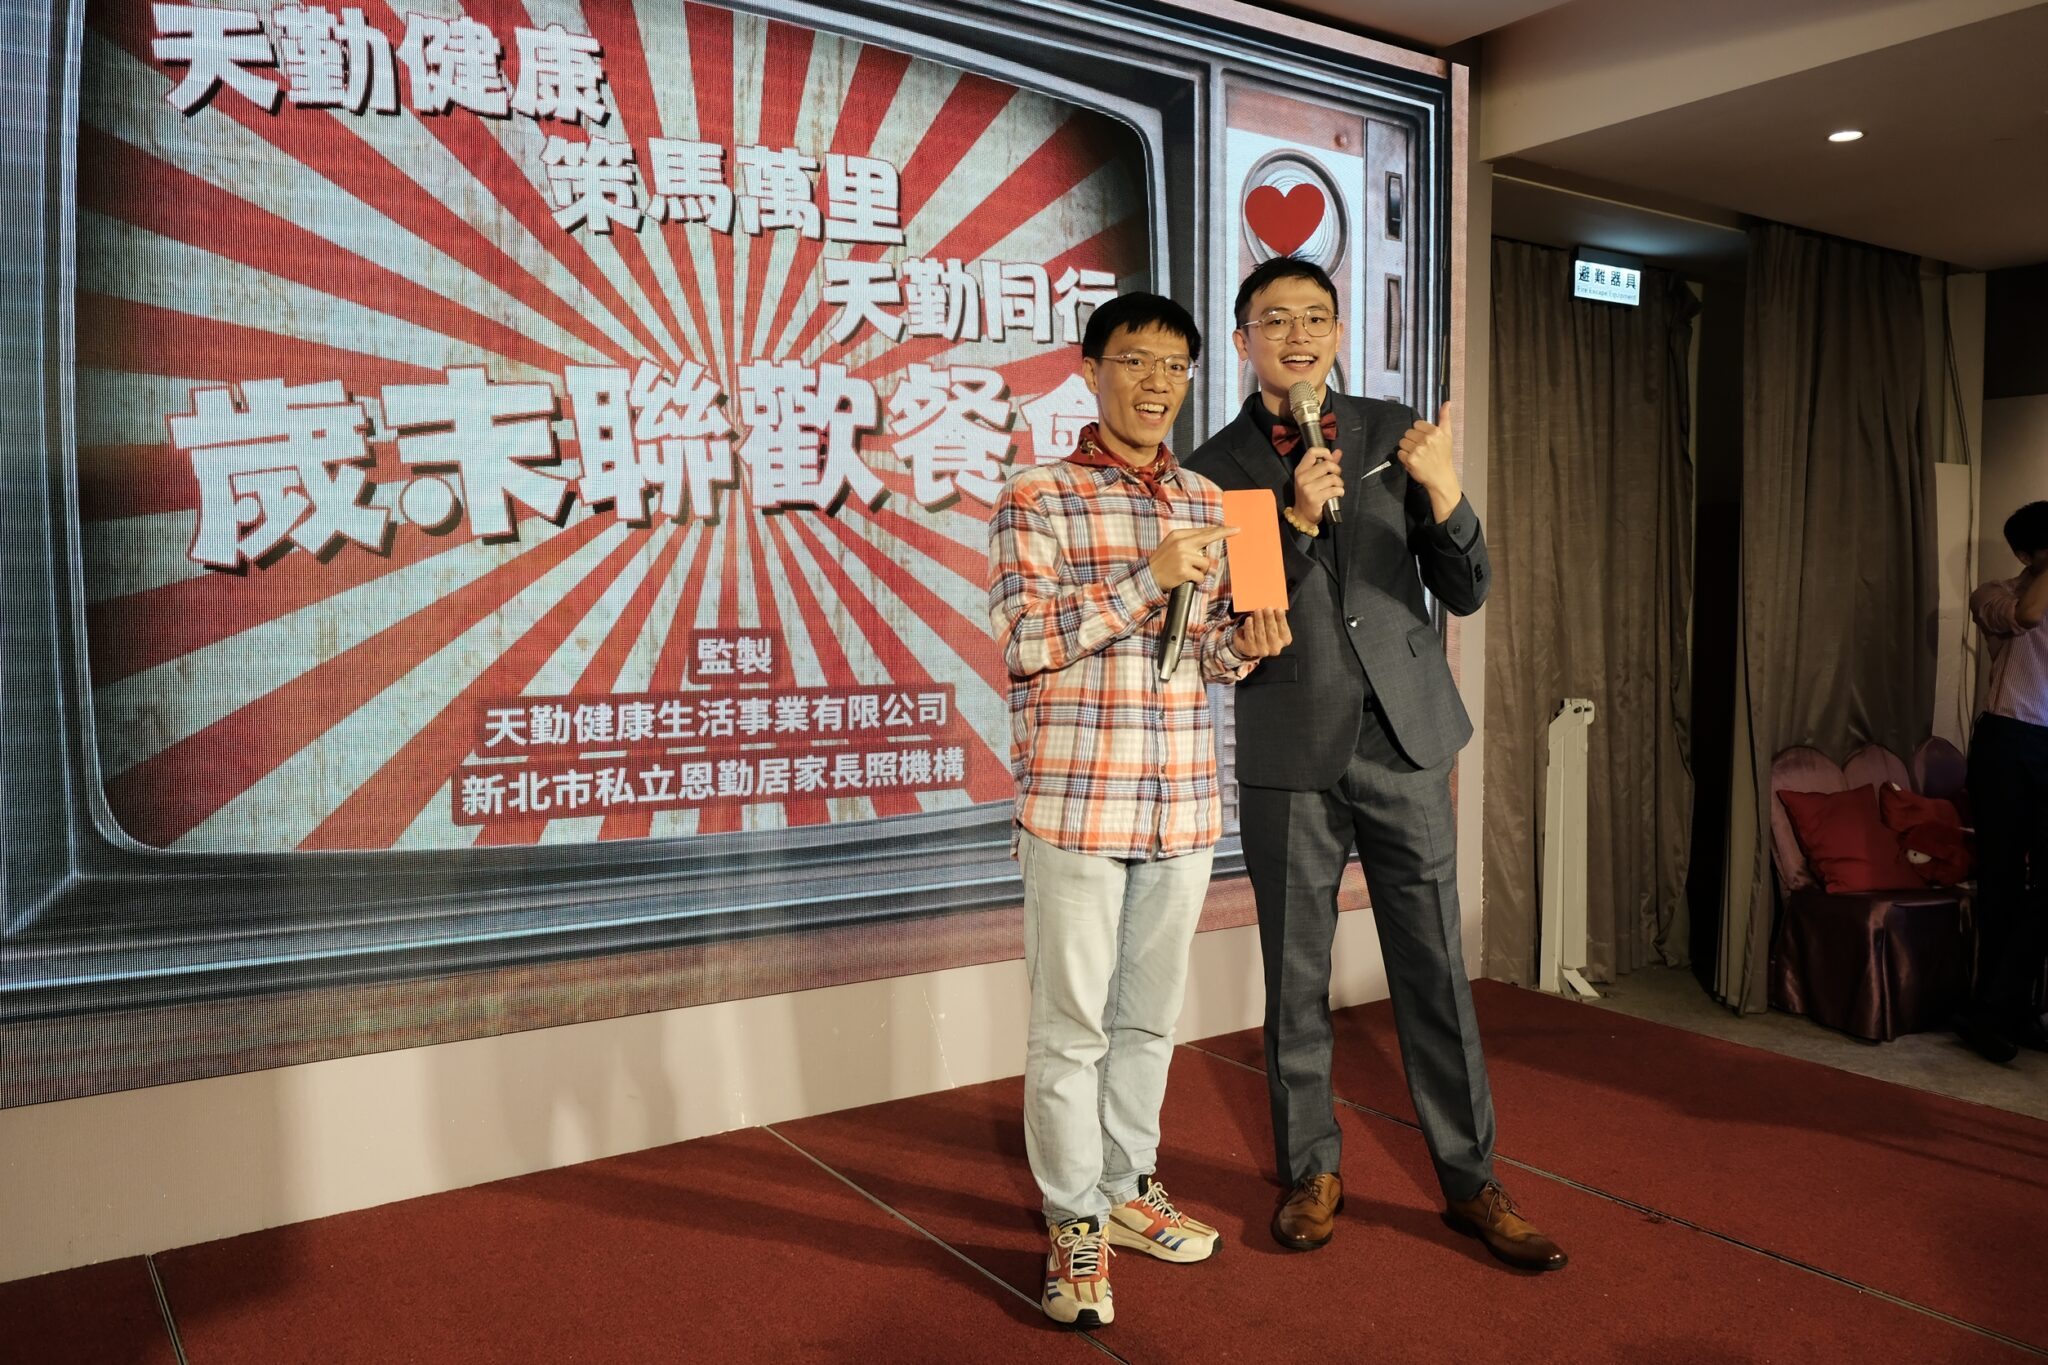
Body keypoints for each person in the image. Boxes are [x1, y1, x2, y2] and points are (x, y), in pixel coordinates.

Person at [1185, 255, 1566, 1271]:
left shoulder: (1396, 432)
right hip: (1291, 741)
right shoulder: (1216, 464)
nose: (1297, 335)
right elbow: (1245, 610)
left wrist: (1446, 492)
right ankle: (1311, 1170)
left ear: (1339, 333)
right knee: (1295, 975)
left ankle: (1472, 1180)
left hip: (1404, 738)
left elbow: (1465, 588)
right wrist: (1294, 518)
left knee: (1433, 968)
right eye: (1275, 319)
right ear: (1244, 341)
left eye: (1315, 317)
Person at [988, 291, 1291, 1329]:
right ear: (1090, 371)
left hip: (1181, 805)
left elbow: (1204, 655)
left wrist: (1243, 646)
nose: (1156, 383)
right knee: (1069, 1031)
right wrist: (1143, 578)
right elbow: (1025, 642)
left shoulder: (1210, 499)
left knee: (1150, 1022)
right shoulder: (1037, 495)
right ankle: (1072, 1220)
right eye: (1135, 361)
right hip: (1076, 806)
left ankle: (1125, 1187)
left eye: (1175, 366)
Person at [1959, 501, 2048, 1063]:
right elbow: (2030, 615)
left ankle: (1999, 1007)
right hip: (2007, 741)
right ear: (2023, 554)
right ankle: (2003, 1012)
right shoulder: (1994, 593)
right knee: (2001, 882)